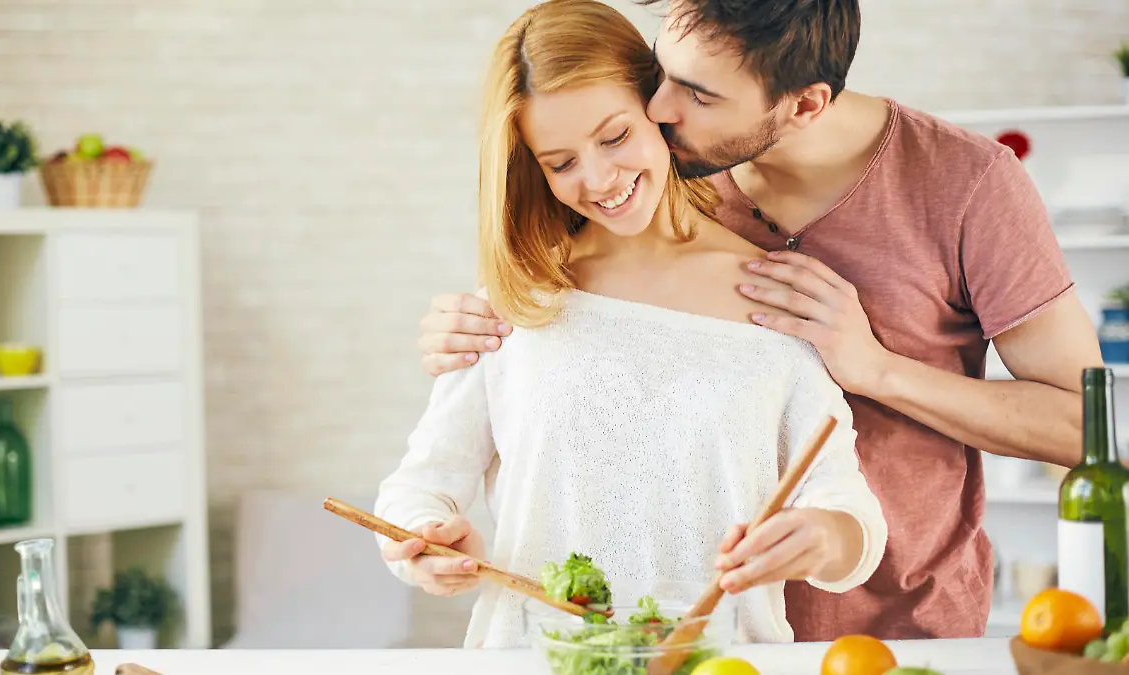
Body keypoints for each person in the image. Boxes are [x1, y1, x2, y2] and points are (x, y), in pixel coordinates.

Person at [415, 0, 1105, 642]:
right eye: (662, 72)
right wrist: (470, 323)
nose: (659, 106)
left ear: (805, 104)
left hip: (894, 616)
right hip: (714, 632)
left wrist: (878, 370)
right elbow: (553, 308)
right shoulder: (656, 167)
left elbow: (1084, 425)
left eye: (699, 95)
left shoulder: (967, 185)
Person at [375, 0, 887, 650]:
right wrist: (420, 537)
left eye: (614, 137)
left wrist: (823, 537)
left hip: (725, 662)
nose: (598, 179)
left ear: (659, 105)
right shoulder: (519, 302)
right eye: (560, 163)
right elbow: (421, 483)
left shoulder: (774, 295)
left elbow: (850, 511)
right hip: (540, 658)